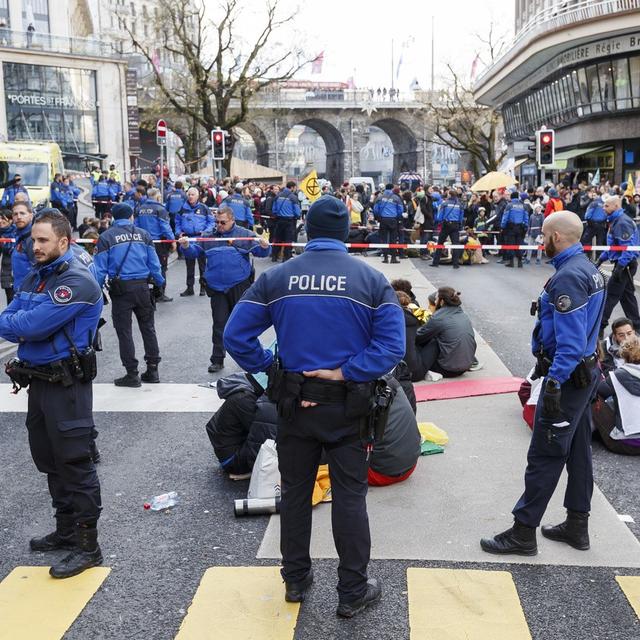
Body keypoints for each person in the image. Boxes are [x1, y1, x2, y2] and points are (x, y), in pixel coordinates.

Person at [223, 195, 405, 617]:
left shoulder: (278, 277)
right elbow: (392, 347)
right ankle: (352, 591)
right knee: (349, 497)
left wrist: (271, 369)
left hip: (294, 404)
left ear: (307, 228)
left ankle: (296, 581)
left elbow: (236, 335)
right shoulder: (372, 280)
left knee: (296, 494)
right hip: (348, 407)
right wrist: (347, 372)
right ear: (346, 233)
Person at [481, 211, 605, 556]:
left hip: (567, 379)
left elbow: (569, 341)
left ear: (558, 238)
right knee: (578, 451)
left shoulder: (567, 278)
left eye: (545, 236)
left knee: (544, 455)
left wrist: (553, 382)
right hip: (585, 374)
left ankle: (523, 532)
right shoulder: (589, 269)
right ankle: (577, 526)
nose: (541, 241)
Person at [0, 210, 103, 578]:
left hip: (67, 386)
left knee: (75, 462)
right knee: (49, 460)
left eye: (43, 240)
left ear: (64, 242)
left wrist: (20, 327)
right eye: (34, 239)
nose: (35, 245)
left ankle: (89, 547)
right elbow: (11, 317)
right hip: (39, 382)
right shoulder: (34, 276)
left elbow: (31, 325)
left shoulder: (75, 281)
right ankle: (66, 532)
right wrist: (19, 327)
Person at [178, 206, 270, 373]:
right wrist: (185, 246)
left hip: (239, 285)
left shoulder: (245, 234)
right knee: (219, 325)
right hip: (217, 288)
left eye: (223, 222)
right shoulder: (208, 236)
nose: (219, 225)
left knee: (244, 324)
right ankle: (218, 359)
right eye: (217, 222)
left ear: (232, 220)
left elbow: (262, 253)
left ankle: (252, 361)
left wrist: (264, 246)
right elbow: (194, 252)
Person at [93, 203, 165, 387]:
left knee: (124, 332)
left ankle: (132, 374)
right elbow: (155, 265)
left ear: (113, 217)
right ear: (131, 216)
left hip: (121, 290)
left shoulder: (106, 237)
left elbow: (99, 270)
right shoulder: (144, 235)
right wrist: (158, 282)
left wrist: (96, 292)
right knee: (148, 328)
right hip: (143, 288)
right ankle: (153, 369)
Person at [205, 372, 278, 476]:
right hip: (232, 459)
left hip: (229, 448)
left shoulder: (247, 389)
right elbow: (265, 438)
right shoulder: (245, 399)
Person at [596, 195, 640, 335]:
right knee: (627, 298)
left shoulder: (621, 222)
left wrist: (620, 267)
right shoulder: (616, 220)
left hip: (625, 265)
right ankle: (637, 328)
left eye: (606, 205)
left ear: (616, 206)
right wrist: (601, 260)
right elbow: (613, 246)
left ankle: (599, 327)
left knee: (610, 296)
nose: (604, 208)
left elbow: (627, 248)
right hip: (624, 264)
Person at [415, 287, 477, 379]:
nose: (435, 302)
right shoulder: (463, 314)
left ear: (442, 301)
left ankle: (418, 371)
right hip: (465, 367)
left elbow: (418, 337)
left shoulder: (439, 317)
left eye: (436, 299)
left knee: (432, 341)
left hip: (447, 369)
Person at [593, 336, 640, 455]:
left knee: (592, 397)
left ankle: (584, 435)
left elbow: (600, 391)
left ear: (624, 355)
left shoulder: (618, 375)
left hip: (625, 444)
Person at [134, 187, 175, 302]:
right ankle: (160, 293)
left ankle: (146, 293)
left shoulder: (140, 209)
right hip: (158, 244)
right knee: (161, 267)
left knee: (145, 267)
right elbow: (165, 227)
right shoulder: (160, 209)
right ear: (157, 197)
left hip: (142, 242)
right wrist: (172, 240)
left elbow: (135, 226)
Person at [176, 187, 214, 296]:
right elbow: (177, 222)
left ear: (197, 196)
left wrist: (206, 232)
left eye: (193, 194)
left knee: (202, 264)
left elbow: (211, 222)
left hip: (200, 239)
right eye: (189, 194)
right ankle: (189, 288)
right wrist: (179, 232)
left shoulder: (204, 208)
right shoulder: (182, 208)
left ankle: (203, 287)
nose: (190, 196)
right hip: (188, 239)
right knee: (189, 265)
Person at [430, 191, 465, 269]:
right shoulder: (459, 205)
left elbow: (439, 217)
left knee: (440, 243)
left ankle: (435, 262)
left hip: (446, 225)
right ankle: (455, 264)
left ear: (449, 195)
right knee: (456, 244)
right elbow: (461, 217)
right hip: (455, 225)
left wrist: (441, 222)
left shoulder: (445, 204)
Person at [373, 183, 403, 264]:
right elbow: (400, 209)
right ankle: (393, 258)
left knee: (384, 239)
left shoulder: (380, 197)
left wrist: (378, 216)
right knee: (393, 239)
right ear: (392, 188)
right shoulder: (396, 198)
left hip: (383, 220)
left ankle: (385, 258)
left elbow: (375, 209)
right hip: (393, 220)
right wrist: (397, 216)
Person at [271, 181, 301, 263]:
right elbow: (297, 212)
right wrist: (297, 216)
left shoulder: (278, 196)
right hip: (289, 221)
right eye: (295, 188)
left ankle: (274, 256)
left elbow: (274, 210)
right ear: (292, 187)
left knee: (277, 239)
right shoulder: (293, 197)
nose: (295, 189)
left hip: (279, 220)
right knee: (288, 240)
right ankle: (286, 257)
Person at [10, 201, 35, 292]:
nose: (19, 217)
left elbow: (39, 271)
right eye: (15, 214)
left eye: (22, 213)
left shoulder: (33, 239)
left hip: (29, 294)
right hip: (19, 292)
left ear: (31, 215)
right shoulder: (19, 236)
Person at [501, 191, 529, 268]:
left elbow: (505, 217)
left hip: (511, 227)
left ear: (511, 197)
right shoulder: (524, 206)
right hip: (520, 228)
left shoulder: (509, 205)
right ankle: (520, 262)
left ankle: (511, 262)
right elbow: (526, 217)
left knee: (511, 244)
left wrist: (502, 226)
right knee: (519, 244)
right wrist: (526, 226)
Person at [0, 209, 15, 304]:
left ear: (10, 220)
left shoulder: (17, 232)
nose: (0, 221)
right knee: (10, 301)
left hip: (17, 272)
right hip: (6, 273)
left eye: (3, 218)